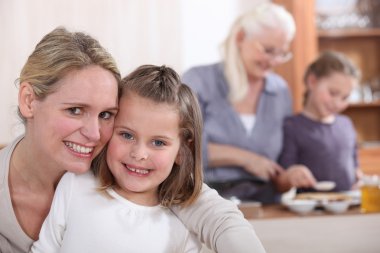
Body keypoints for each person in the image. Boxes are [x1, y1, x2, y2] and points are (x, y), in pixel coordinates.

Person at [0, 27, 266, 253]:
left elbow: (220, 219)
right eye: (75, 110)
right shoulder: (78, 186)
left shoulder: (137, 178)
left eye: (106, 114)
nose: (95, 134)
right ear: (28, 100)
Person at [30, 65, 203, 252]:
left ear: (181, 151)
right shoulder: (76, 185)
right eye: (127, 135)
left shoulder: (183, 227)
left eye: (158, 143)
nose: (139, 154)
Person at [182, 2, 296, 203]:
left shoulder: (280, 91)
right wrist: (246, 159)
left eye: (281, 53)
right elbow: (181, 146)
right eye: (268, 50)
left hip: (266, 204)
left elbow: (284, 158)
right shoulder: (198, 81)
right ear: (241, 37)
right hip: (206, 201)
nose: (274, 61)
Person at [277, 51, 361, 193]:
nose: (337, 103)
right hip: (309, 211)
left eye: (345, 97)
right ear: (312, 81)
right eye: (333, 93)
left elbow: (355, 167)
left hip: (346, 207)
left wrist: (359, 178)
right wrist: (292, 174)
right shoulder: (292, 126)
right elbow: (283, 178)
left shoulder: (346, 124)